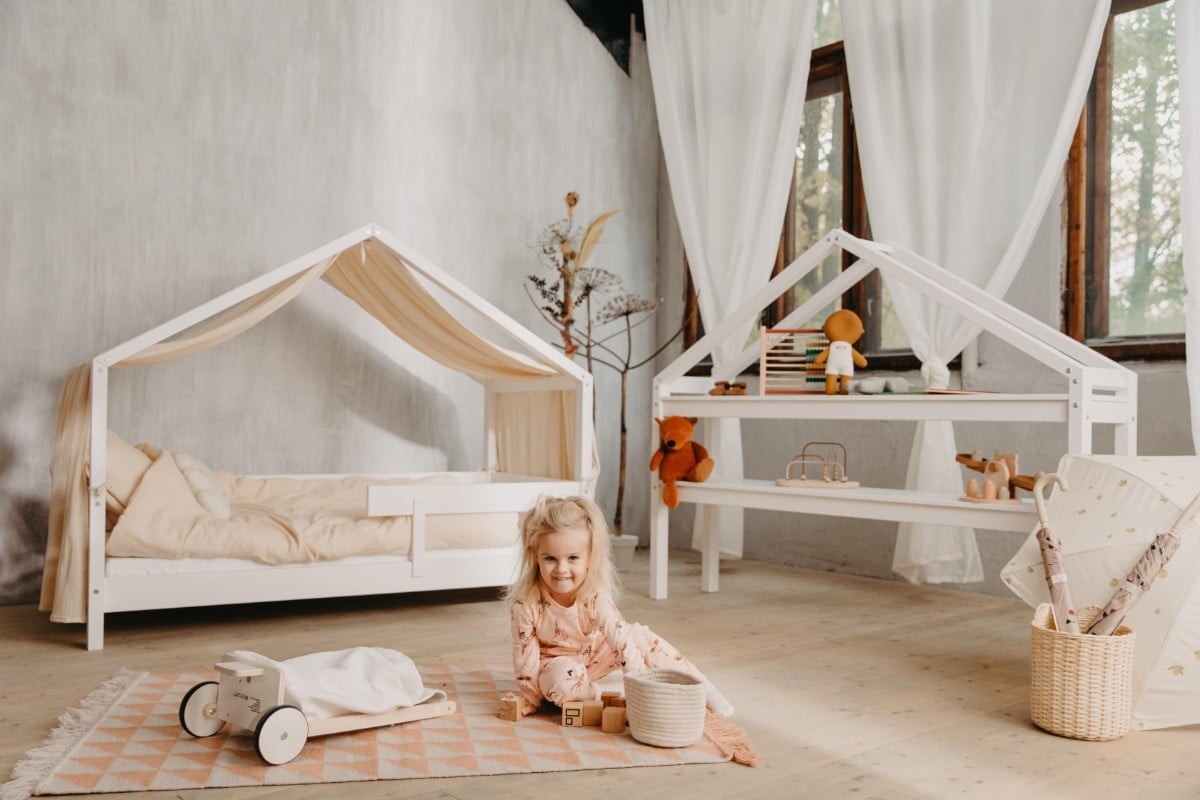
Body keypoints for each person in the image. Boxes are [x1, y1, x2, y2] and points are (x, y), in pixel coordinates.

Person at [505, 495, 734, 717]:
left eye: (572, 558)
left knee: (640, 635)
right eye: (550, 559)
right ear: (536, 557)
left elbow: (621, 641)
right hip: (557, 669)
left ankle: (702, 688)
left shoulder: (594, 596)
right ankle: (599, 695)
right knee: (558, 677)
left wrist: (642, 686)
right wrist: (531, 699)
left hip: (595, 659)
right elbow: (526, 655)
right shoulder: (526, 601)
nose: (561, 569)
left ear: (589, 557)